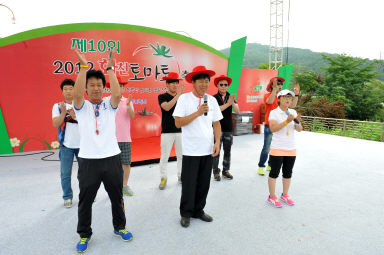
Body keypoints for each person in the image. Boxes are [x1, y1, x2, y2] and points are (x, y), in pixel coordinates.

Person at [72, 49, 132, 253]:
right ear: (87, 88)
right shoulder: (81, 106)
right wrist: (83, 68)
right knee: (85, 200)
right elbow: (77, 93)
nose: (96, 88)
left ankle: (120, 227)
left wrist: (110, 68)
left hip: (111, 158)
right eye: (92, 85)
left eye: (99, 85)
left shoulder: (109, 104)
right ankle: (84, 234)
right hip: (89, 161)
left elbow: (117, 94)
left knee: (117, 196)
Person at [173, 66, 222, 228]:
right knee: (189, 183)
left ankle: (198, 210)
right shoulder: (184, 99)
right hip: (190, 150)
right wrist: (197, 113)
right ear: (193, 82)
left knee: (203, 183)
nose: (204, 84)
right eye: (200, 81)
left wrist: (217, 143)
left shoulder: (212, 100)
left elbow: (216, 123)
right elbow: (178, 122)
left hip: (207, 149)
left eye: (207, 81)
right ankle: (186, 213)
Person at [267, 89, 302, 207]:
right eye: (285, 97)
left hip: (291, 148)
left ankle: (285, 195)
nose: (288, 99)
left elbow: (299, 129)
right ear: (279, 99)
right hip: (277, 148)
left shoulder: (293, 111)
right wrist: (287, 121)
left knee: (288, 173)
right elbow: (273, 128)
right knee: (274, 173)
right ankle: (272, 197)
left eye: (290, 97)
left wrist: (298, 123)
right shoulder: (274, 113)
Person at [257, 77, 299, 176]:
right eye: (277, 83)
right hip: (270, 125)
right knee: (267, 147)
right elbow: (270, 102)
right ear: (272, 85)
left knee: (276, 146)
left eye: (280, 84)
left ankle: (270, 164)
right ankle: (261, 165)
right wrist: (274, 90)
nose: (280, 85)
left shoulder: (283, 96)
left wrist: (296, 94)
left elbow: (292, 105)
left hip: (283, 125)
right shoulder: (268, 95)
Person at [52, 78, 80, 208]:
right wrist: (64, 112)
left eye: (71, 88)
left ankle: (86, 194)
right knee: (65, 173)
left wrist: (75, 116)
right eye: (65, 89)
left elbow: (88, 123)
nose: (68, 91)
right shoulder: (57, 106)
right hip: (66, 146)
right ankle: (67, 197)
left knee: (85, 173)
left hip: (83, 146)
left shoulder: (81, 105)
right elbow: (55, 123)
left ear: (75, 89)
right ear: (62, 91)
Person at [107, 76, 135, 196]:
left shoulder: (127, 101)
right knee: (111, 166)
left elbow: (132, 116)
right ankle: (113, 187)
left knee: (126, 163)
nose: (119, 88)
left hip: (124, 138)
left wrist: (128, 106)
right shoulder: (106, 101)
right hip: (110, 139)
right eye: (116, 85)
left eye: (121, 86)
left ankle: (124, 185)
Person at [157, 72, 184, 190]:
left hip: (181, 130)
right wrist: (178, 96)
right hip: (167, 131)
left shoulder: (182, 98)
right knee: (164, 156)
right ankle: (163, 178)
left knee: (181, 156)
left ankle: (181, 176)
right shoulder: (162, 96)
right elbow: (167, 107)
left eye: (176, 83)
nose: (174, 85)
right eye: (172, 83)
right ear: (167, 84)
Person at [212, 75, 240, 181]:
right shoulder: (214, 98)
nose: (223, 86)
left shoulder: (231, 97)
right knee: (216, 151)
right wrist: (228, 104)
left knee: (227, 151)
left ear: (228, 86)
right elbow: (216, 110)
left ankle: (225, 170)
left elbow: (237, 111)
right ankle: (216, 171)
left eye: (225, 85)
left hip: (228, 129)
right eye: (221, 85)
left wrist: (232, 102)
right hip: (217, 129)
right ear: (217, 86)